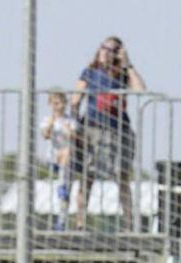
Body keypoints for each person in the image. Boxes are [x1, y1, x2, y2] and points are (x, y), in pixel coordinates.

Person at [71, 36, 145, 230]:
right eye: (104, 47)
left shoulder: (121, 75)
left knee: (122, 177)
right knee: (88, 175)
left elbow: (140, 90)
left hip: (118, 130)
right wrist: (74, 123)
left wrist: (128, 65)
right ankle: (81, 222)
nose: (106, 52)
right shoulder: (90, 72)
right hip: (93, 127)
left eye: (112, 50)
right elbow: (75, 98)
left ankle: (129, 224)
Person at [41, 91, 77, 231]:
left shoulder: (70, 120)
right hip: (52, 157)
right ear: (50, 104)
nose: (57, 107)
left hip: (66, 160)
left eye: (60, 103)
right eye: (54, 103)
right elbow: (45, 135)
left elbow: (73, 136)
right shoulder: (47, 119)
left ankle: (61, 222)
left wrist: (70, 132)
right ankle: (61, 186)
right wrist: (50, 124)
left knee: (64, 193)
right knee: (57, 189)